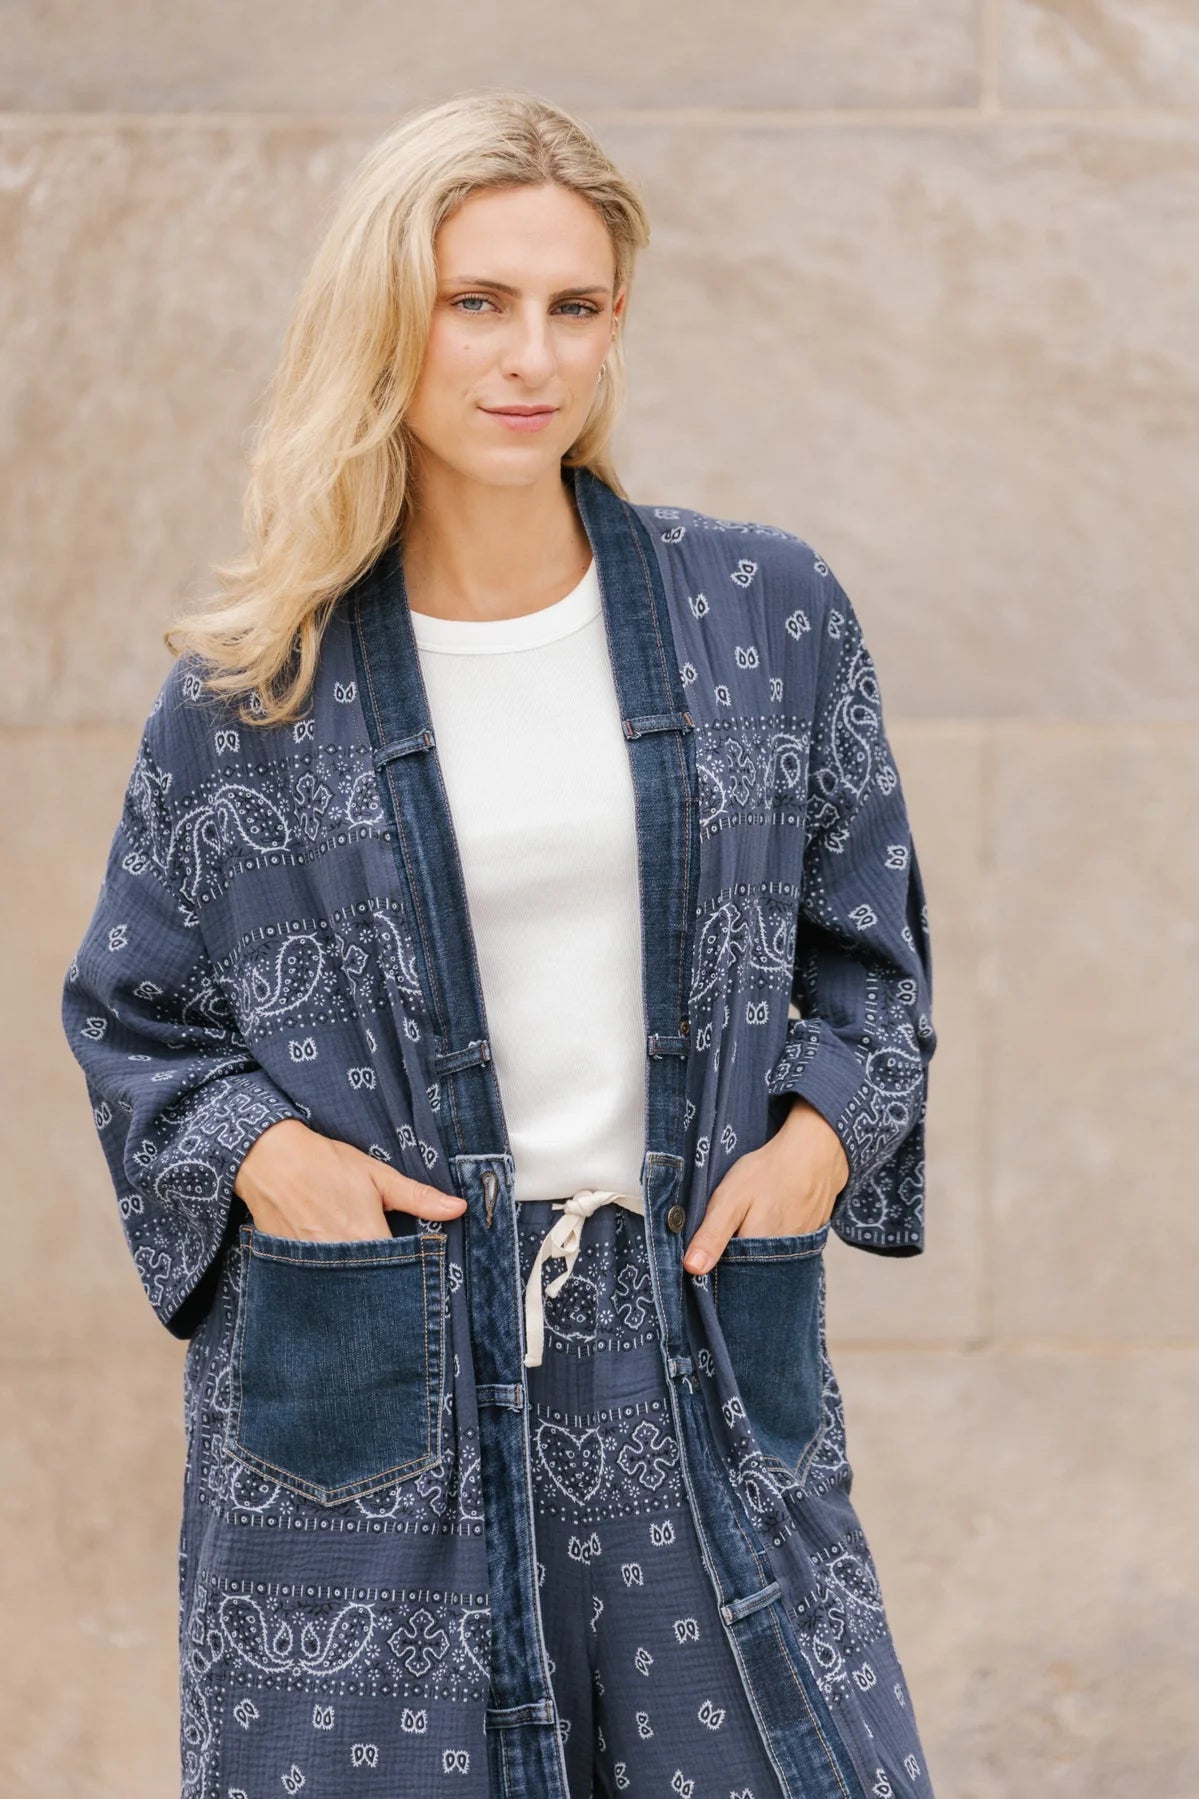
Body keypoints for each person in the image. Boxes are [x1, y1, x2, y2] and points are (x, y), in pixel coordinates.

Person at [61, 88, 939, 1799]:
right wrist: (270, 1161)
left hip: (688, 1335)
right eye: (477, 302)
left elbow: (872, 955)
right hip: (376, 1364)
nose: (531, 356)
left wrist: (820, 1147)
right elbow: (137, 1012)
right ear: (387, 320)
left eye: (573, 305)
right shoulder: (255, 691)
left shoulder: (763, 618)